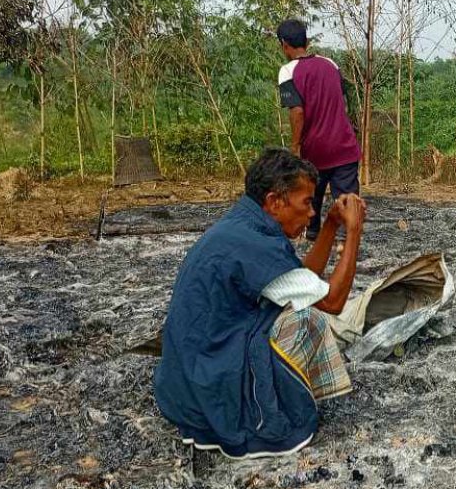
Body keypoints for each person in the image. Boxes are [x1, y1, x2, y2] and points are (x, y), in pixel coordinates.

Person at [155, 148, 367, 459]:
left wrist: (331, 225)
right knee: (306, 319)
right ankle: (267, 412)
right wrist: (354, 231)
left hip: (187, 381)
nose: (312, 212)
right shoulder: (253, 243)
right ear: (274, 202)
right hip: (209, 382)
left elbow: (301, 281)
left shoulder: (244, 227)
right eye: (307, 202)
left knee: (295, 306)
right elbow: (332, 301)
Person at [276, 18, 364, 241]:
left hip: (315, 149)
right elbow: (343, 98)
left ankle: (313, 233)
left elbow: (296, 112)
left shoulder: (288, 71)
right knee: (347, 198)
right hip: (344, 145)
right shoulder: (330, 64)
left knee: (309, 194)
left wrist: (295, 147)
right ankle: (350, 241)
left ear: (284, 44)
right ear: (305, 40)